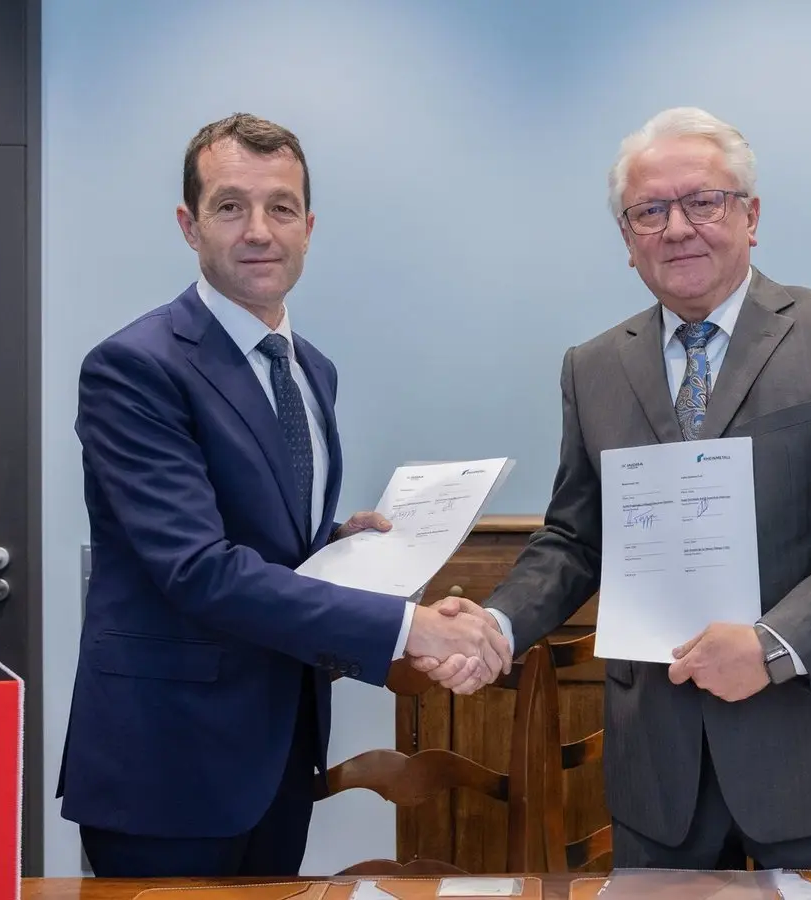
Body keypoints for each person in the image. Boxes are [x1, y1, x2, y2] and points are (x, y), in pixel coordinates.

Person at [420, 107, 811, 870]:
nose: (677, 228)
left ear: (750, 217)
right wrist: (497, 626)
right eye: (650, 211)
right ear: (627, 239)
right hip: (660, 777)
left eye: (703, 202)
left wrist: (771, 646)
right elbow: (575, 539)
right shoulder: (593, 368)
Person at [57, 112, 511, 878]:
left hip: (278, 750)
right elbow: (198, 568)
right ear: (190, 225)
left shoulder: (310, 369)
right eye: (231, 207)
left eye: (281, 207)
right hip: (167, 765)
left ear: (309, 227)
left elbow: (262, 538)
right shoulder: (135, 367)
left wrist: (336, 543)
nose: (259, 231)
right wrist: (410, 629)